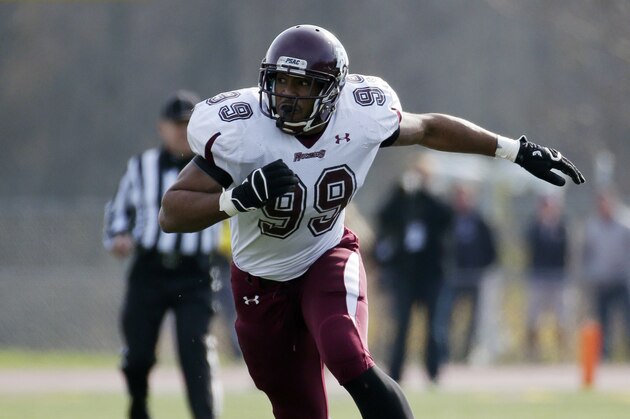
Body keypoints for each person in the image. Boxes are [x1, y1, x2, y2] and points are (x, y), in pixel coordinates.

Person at [158, 25, 585, 419]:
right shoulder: (242, 129)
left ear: (330, 92)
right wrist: (241, 196)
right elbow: (172, 211)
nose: (286, 95)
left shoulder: (361, 115)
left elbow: (431, 129)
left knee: (346, 353)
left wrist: (514, 150)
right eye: (280, 81)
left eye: (302, 84)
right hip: (258, 282)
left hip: (325, 254)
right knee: (299, 409)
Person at [103, 90, 222, 419]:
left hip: (195, 274)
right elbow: (118, 212)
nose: (182, 131)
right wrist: (118, 237)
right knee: (138, 354)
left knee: (193, 352)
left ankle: (205, 415)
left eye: (189, 124)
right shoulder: (141, 167)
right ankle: (138, 405)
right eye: (176, 124)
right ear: (161, 127)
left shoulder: (217, 166)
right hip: (150, 270)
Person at [375, 153, 454, 384]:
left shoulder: (436, 200)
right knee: (401, 326)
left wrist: (427, 192)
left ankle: (433, 371)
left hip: (432, 273)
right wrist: (400, 191)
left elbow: (447, 219)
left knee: (433, 327)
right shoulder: (404, 198)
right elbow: (384, 216)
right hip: (406, 273)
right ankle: (396, 371)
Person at [443, 183, 497, 363]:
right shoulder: (448, 219)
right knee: (448, 316)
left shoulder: (480, 221)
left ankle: (467, 353)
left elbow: (491, 248)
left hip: (474, 278)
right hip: (453, 277)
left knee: (474, 320)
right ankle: (446, 352)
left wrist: (482, 267)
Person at [581, 188, 630, 360]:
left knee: (627, 321)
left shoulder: (625, 224)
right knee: (603, 324)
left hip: (622, 280)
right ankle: (604, 357)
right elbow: (587, 253)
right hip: (602, 281)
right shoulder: (592, 227)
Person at [524, 194, 570, 361]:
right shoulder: (535, 228)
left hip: (558, 278)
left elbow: (566, 252)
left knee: (561, 317)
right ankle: (533, 354)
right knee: (533, 317)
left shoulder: (561, 228)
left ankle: (562, 353)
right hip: (539, 277)